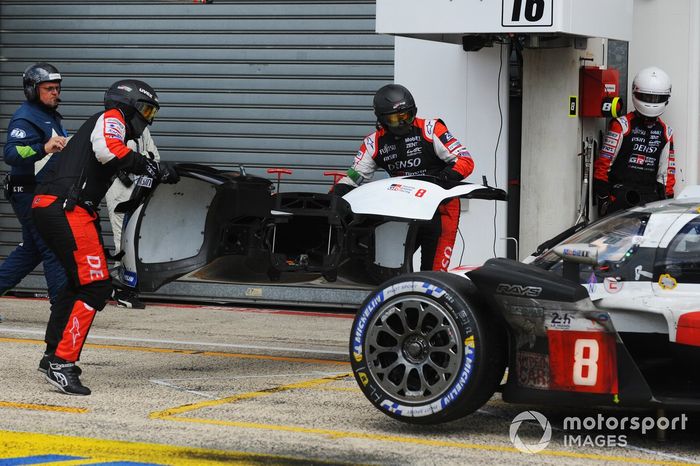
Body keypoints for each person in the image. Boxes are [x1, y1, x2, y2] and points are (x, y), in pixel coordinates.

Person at [31, 79, 179, 395]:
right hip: (66, 207)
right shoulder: (113, 117)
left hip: (56, 205)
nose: (148, 117)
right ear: (129, 104)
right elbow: (108, 150)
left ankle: (51, 356)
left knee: (77, 283)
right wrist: (151, 164)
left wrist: (151, 171)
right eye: (146, 109)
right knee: (96, 285)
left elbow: (114, 160)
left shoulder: (112, 124)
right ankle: (62, 364)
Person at [332, 84, 474, 272]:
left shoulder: (431, 129)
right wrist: (333, 200)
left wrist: (444, 177)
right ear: (382, 119)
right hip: (403, 211)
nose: (402, 122)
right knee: (386, 269)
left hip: (441, 211)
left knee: (434, 274)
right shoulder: (373, 143)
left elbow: (465, 160)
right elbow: (353, 178)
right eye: (395, 118)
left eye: (406, 115)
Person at [0, 63, 68, 322]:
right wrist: (43, 147)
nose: (55, 93)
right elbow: (12, 154)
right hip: (28, 193)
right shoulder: (25, 116)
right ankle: (61, 311)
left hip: (41, 192)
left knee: (32, 250)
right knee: (52, 246)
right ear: (32, 90)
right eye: (48, 88)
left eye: (57, 88)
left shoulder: (49, 116)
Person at [593, 66, 676, 216]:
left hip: (650, 202)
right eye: (647, 97)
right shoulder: (622, 126)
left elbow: (666, 177)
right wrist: (605, 199)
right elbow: (602, 167)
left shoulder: (666, 132)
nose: (651, 102)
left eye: (656, 98)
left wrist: (667, 205)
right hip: (620, 199)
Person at [105, 127, 160, 309]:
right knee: (122, 239)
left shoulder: (142, 129)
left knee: (135, 240)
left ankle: (126, 286)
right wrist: (141, 158)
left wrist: (139, 158)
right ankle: (122, 291)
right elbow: (112, 157)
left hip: (140, 188)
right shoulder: (115, 126)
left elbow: (155, 156)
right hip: (119, 187)